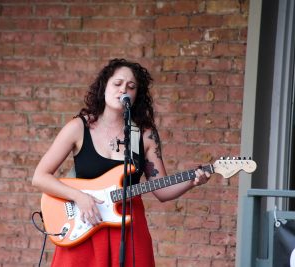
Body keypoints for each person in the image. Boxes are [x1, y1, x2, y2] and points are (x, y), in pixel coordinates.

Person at [32, 58, 211, 267]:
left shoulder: (144, 135)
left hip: (129, 228)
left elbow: (162, 190)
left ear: (137, 95)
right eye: (117, 84)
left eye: (131, 86)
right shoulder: (79, 127)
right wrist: (79, 197)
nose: (123, 90)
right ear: (104, 87)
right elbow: (40, 177)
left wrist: (192, 180)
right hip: (85, 224)